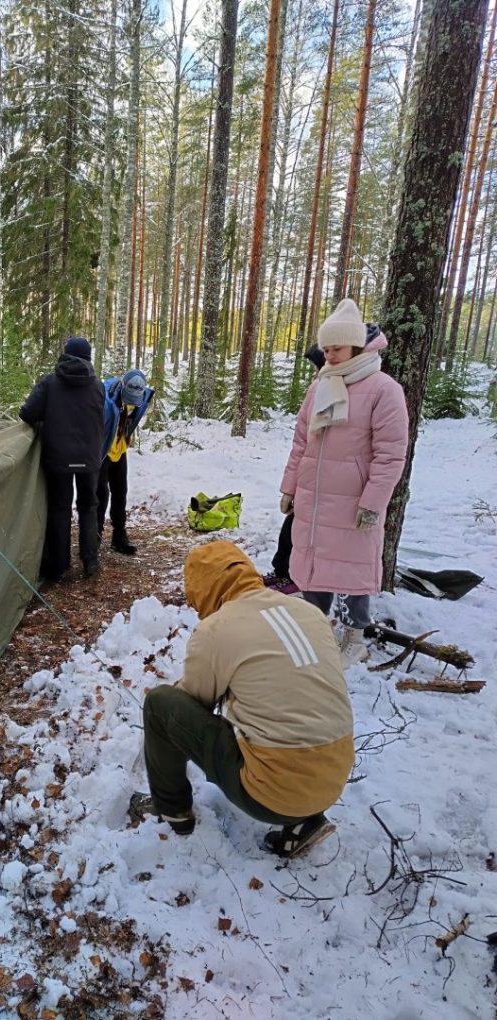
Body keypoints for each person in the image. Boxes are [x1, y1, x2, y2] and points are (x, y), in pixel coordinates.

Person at [129, 540, 354, 859]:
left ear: (204, 589)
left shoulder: (218, 628)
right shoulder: (306, 611)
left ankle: (172, 812)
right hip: (333, 778)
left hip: (271, 795)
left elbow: (189, 705)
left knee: (160, 704)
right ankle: (306, 820)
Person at [279, 299, 409, 666]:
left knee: (352, 566)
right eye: (326, 348)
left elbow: (390, 455)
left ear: (355, 345)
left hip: (354, 499)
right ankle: (315, 625)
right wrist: (290, 487)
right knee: (313, 560)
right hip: (315, 494)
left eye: (336, 348)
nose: (329, 355)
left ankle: (355, 635)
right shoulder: (321, 385)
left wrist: (373, 503)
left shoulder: (384, 389)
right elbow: (302, 442)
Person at [19, 336, 104, 581]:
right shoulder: (97, 385)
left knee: (60, 509)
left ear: (65, 354)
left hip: (58, 458)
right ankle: (90, 560)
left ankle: (58, 566)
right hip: (89, 458)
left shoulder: (50, 383)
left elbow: (27, 413)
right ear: (88, 357)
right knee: (89, 506)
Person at [264, 344, 326, 593]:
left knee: (304, 533)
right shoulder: (317, 389)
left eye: (316, 368)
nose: (314, 374)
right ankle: (283, 571)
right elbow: (301, 441)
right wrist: (290, 488)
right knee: (292, 525)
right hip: (308, 477)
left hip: (327, 484)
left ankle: (293, 576)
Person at [98, 369, 155, 555]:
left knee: (120, 492)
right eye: (128, 398)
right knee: (101, 496)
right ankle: (94, 537)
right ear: (122, 387)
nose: (131, 403)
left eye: (134, 400)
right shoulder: (106, 401)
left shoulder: (141, 396)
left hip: (120, 450)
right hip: (103, 452)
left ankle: (119, 537)